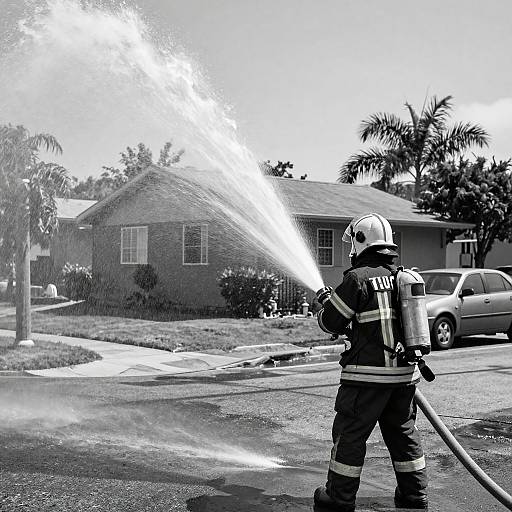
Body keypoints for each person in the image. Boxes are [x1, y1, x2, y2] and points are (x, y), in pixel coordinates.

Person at [313, 213, 428, 512]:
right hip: (404, 377)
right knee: (403, 435)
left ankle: (338, 499)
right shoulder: (401, 276)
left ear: (360, 241)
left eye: (352, 241)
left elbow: (331, 321)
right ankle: (414, 495)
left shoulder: (357, 279)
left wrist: (323, 303)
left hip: (365, 378)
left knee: (350, 436)